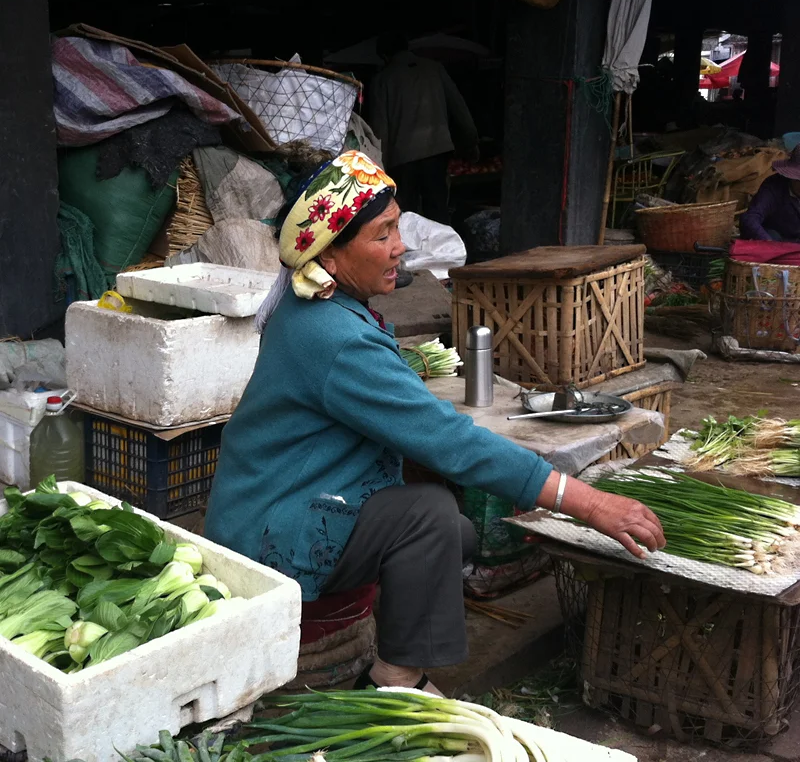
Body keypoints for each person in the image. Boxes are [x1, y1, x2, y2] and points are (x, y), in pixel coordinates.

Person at [204, 150, 666, 694]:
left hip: (271, 504)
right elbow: (452, 442)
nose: (400, 246)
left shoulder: (318, 305)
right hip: (269, 532)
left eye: (397, 227)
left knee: (455, 528)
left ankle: (395, 652)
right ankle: (396, 681)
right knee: (431, 518)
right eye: (381, 235)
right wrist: (589, 503)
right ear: (329, 255)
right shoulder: (334, 335)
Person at [369, 32, 479, 225]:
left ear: (384, 56)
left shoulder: (382, 80)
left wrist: (380, 167)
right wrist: (471, 142)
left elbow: (380, 130)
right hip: (436, 151)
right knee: (438, 212)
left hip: (402, 159)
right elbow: (459, 108)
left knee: (407, 218)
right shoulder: (435, 69)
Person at [740, 145, 800, 242]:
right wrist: (768, 242)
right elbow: (751, 217)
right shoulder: (773, 186)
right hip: (776, 239)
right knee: (773, 235)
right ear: (791, 177)